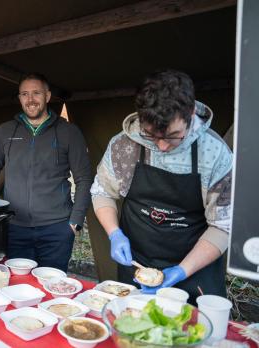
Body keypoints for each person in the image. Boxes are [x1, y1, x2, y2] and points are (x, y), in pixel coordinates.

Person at [91, 69, 232, 303]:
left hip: (194, 271)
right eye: (152, 135)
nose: (163, 146)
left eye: (173, 136)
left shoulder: (215, 153)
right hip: (136, 265)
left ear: (189, 113)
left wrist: (182, 270)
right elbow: (102, 192)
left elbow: (223, 226)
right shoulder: (124, 146)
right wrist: (114, 233)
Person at [0, 73, 92, 272]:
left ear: (48, 96)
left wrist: (75, 221)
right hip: (16, 227)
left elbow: (84, 179)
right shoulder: (5, 131)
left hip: (57, 228)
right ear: (19, 98)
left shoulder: (69, 132)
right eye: (25, 94)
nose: (30, 99)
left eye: (36, 93)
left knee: (53, 286)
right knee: (19, 284)